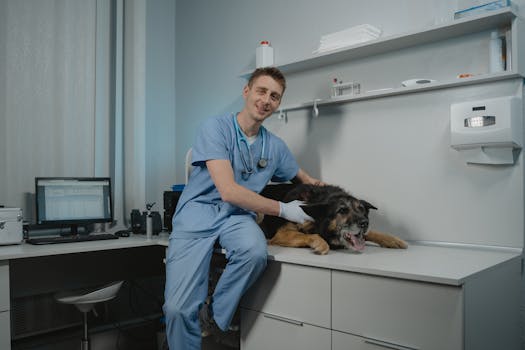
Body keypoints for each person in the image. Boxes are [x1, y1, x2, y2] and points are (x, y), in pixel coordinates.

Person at [163, 67, 322, 350]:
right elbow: (228, 190)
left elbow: (301, 176)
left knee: (254, 253)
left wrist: (322, 190)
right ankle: (193, 320)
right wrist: (285, 210)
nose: (266, 100)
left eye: (274, 96)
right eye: (261, 91)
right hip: (198, 214)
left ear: (278, 104)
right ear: (246, 91)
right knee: (177, 310)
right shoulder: (215, 128)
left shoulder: (274, 146)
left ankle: (212, 316)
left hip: (237, 218)